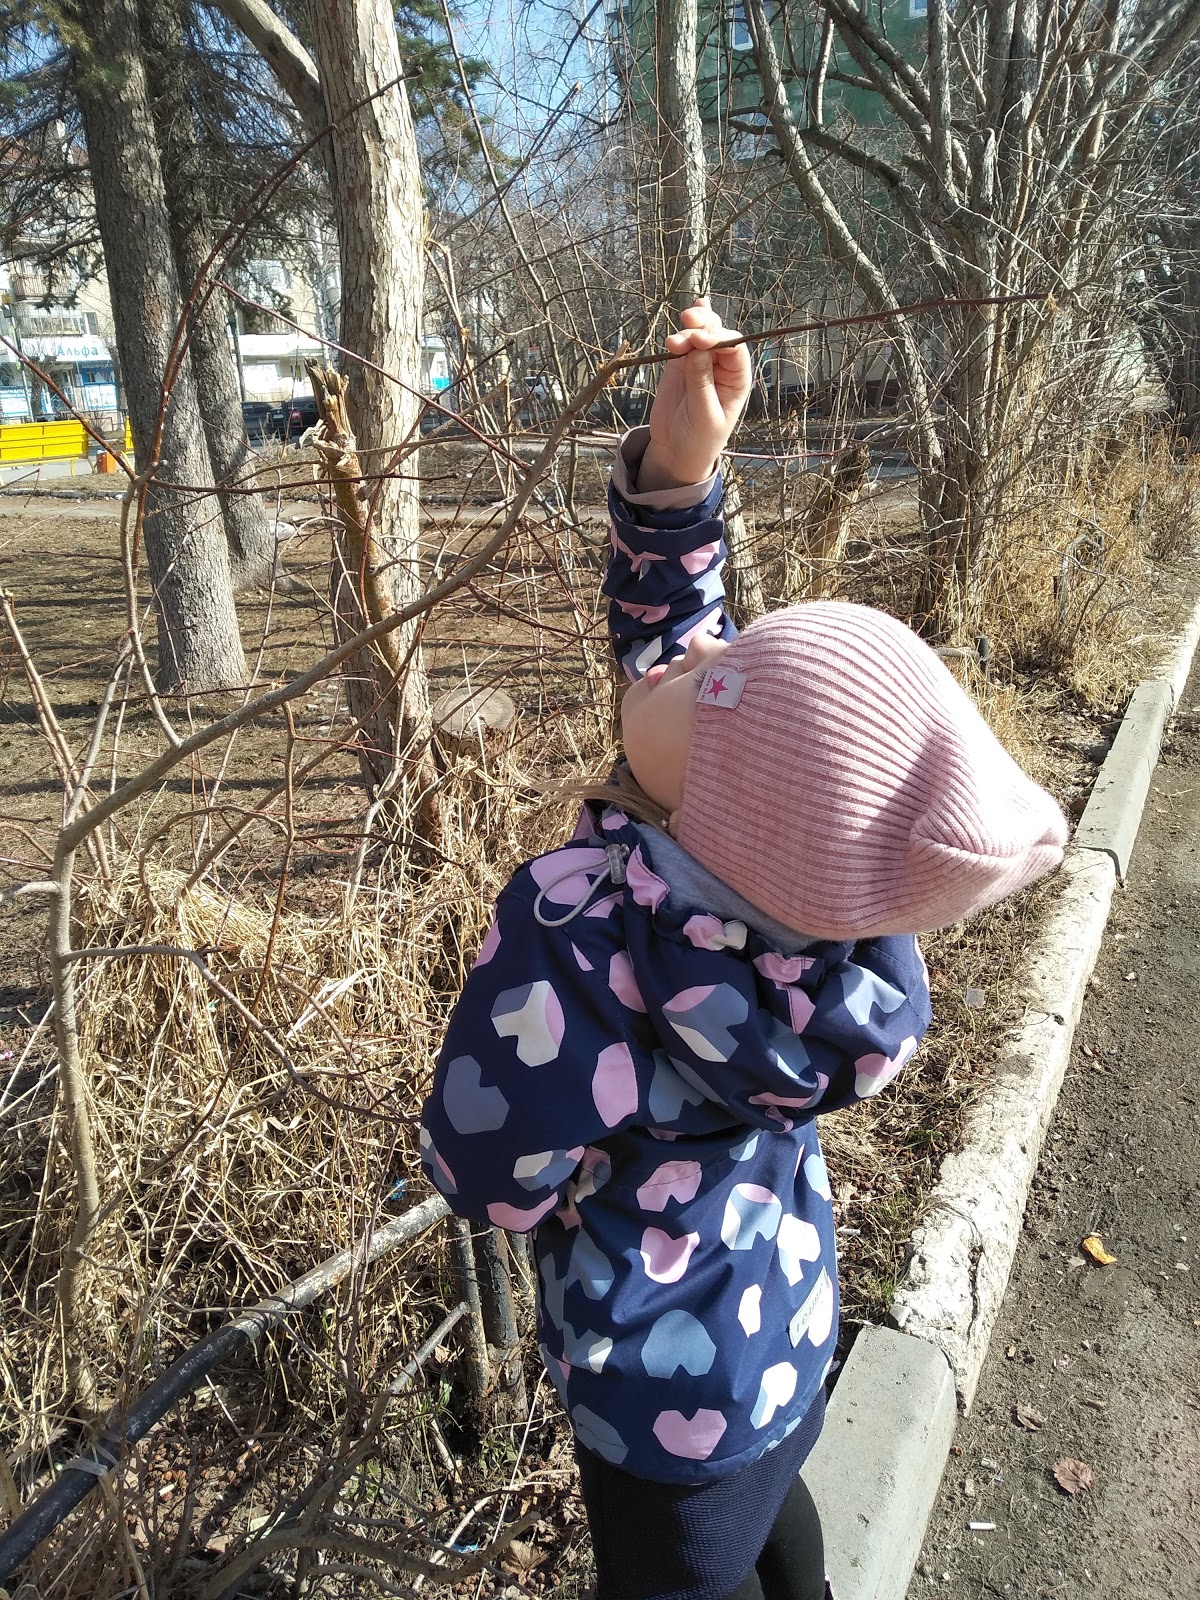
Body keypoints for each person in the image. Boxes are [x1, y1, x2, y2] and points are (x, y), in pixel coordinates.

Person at [420, 300, 1067, 1600]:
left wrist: (539, 1190)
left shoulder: (581, 931)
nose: (705, 644)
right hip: (780, 1329)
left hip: (652, 1403)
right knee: (780, 1518)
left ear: (716, 799)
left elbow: (489, 1168)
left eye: (724, 670)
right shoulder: (828, 930)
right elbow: (687, 676)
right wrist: (679, 473)